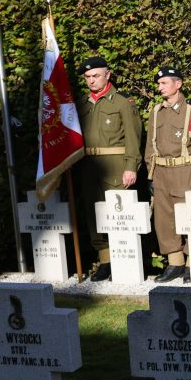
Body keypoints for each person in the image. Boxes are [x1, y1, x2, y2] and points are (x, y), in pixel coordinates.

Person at [76, 56, 142, 282]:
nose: (91, 81)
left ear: (107, 75)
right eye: (87, 77)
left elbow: (133, 137)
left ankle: (126, 259)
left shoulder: (122, 102)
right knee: (94, 215)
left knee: (119, 214)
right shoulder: (82, 103)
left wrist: (131, 166)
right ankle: (105, 261)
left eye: (95, 76)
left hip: (115, 167)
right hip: (89, 167)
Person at [144, 66, 191, 284]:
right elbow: (149, 147)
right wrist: (151, 175)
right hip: (161, 172)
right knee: (164, 220)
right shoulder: (157, 112)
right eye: (159, 83)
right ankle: (175, 264)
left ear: (178, 84)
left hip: (186, 171)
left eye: (164, 83)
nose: (160, 87)